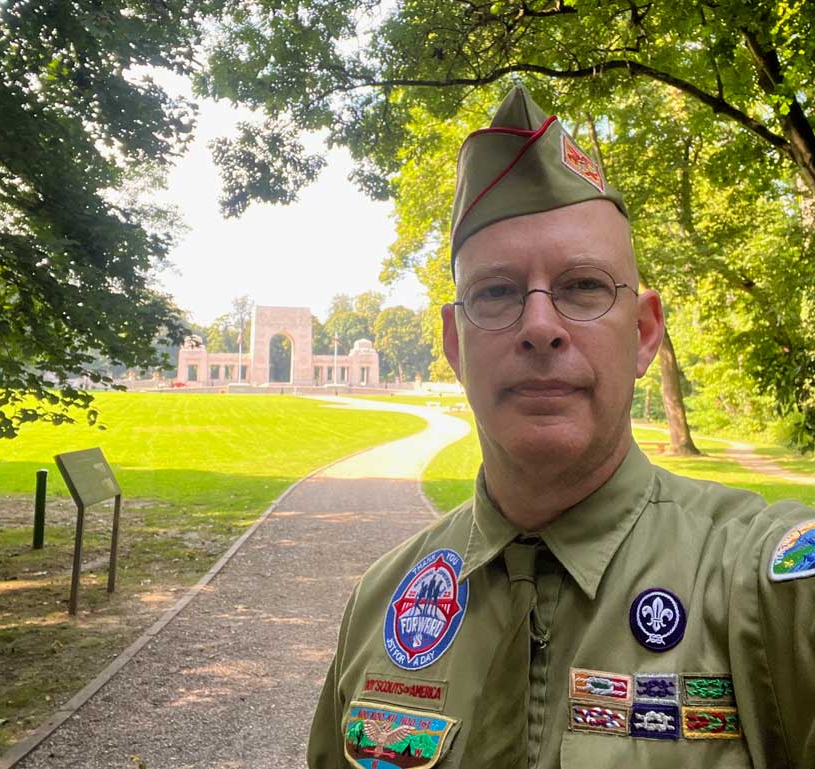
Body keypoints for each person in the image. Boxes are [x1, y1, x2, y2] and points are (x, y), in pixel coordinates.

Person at [306, 85, 815, 769]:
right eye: (496, 292)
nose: (540, 326)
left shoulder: (760, 588)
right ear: (456, 345)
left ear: (643, 333)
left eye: (582, 287)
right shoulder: (381, 602)